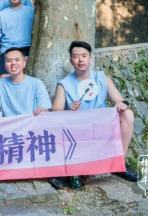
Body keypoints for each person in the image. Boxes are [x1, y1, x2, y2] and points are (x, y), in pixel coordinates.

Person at [49, 41, 138, 190]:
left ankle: (118, 163)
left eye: (84, 56)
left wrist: (122, 104)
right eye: (76, 56)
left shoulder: (102, 78)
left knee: (127, 114)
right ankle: (70, 172)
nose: (80, 60)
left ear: (90, 59)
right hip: (78, 129)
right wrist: (69, 110)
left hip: (101, 126)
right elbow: (56, 111)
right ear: (71, 61)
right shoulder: (63, 84)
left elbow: (120, 100)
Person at [0, 48, 51, 120]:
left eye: (17, 60)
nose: (13, 63)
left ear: (24, 63)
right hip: (10, 123)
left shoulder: (36, 83)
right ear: (5, 65)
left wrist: (42, 110)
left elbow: (45, 109)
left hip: (31, 122)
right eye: (9, 61)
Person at [0, 0, 34, 77]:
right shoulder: (2, 14)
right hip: (7, 49)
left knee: (26, 76)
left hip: (26, 48)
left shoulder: (31, 12)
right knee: (3, 78)